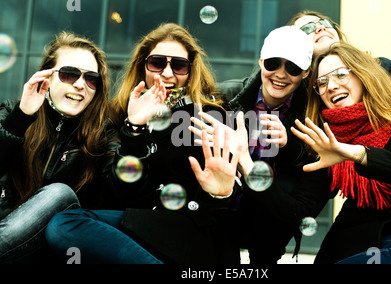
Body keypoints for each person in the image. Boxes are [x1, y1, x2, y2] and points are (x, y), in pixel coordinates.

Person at [45, 23, 244, 264]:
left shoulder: (211, 115)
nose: (168, 73)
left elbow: (238, 210)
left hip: (191, 235)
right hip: (137, 229)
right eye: (157, 63)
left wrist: (223, 193)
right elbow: (118, 193)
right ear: (143, 66)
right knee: (64, 224)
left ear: (190, 71)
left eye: (179, 65)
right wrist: (134, 128)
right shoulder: (117, 116)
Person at [291, 42, 391, 264]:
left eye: (341, 75)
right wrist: (248, 166)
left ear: (363, 74)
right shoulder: (325, 139)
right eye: (322, 82)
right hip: (361, 244)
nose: (332, 86)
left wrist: (358, 154)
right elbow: (300, 208)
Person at [197, 26, 333, 264]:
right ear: (260, 61)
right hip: (224, 209)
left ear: (306, 72)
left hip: (273, 220)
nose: (280, 74)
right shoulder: (226, 97)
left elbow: (315, 173)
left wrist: (290, 144)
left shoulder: (315, 114)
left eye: (292, 67)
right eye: (272, 63)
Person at [0, 31, 116, 263]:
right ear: (47, 77)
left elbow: (120, 194)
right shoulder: (12, 113)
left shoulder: (103, 136)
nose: (81, 84)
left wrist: (135, 131)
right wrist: (21, 117)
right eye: (69, 74)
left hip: (52, 250)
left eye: (91, 78)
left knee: (59, 193)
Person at [288, 10, 391, 135]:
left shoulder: (380, 67)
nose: (320, 27)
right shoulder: (297, 90)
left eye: (324, 22)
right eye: (308, 28)